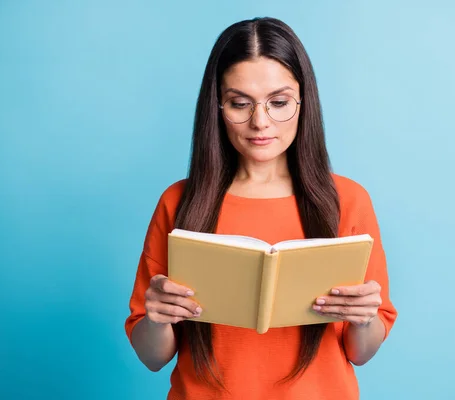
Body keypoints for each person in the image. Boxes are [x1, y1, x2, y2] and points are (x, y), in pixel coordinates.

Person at [125, 16, 397, 400]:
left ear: (304, 102)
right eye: (239, 103)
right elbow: (152, 357)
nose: (260, 122)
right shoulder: (179, 201)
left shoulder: (348, 200)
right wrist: (156, 319)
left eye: (279, 102)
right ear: (217, 106)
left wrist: (365, 317)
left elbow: (361, 352)